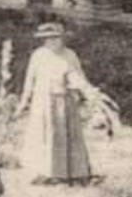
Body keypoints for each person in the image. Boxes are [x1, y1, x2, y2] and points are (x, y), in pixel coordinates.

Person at [16, 21, 120, 184]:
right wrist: (24, 101)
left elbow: (78, 77)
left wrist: (89, 92)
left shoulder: (69, 55)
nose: (52, 42)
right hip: (43, 101)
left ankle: (71, 172)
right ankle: (43, 172)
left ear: (62, 39)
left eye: (56, 38)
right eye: (48, 39)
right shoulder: (38, 55)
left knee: (65, 135)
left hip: (64, 101)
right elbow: (30, 80)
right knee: (44, 134)